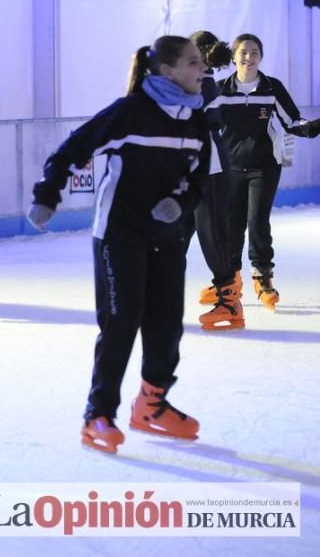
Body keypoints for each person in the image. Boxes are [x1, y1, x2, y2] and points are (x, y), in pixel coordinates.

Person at [27, 36, 211, 454]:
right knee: (121, 321)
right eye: (193, 63)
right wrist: (47, 194)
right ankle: (98, 415)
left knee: (166, 324)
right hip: (119, 234)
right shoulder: (131, 112)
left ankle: (151, 404)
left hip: (167, 236)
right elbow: (74, 148)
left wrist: (179, 203)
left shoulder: (196, 119)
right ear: (167, 71)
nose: (202, 69)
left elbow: (200, 180)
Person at [210, 33, 320, 311]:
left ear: (261, 56)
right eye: (243, 52)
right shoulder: (221, 90)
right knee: (231, 225)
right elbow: (205, 123)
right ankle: (230, 281)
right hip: (230, 168)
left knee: (258, 222)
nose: (249, 57)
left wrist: (312, 126)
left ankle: (263, 276)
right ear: (234, 56)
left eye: (255, 52)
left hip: (264, 166)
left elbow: (292, 121)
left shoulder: (272, 88)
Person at [185, 31, 244, 331]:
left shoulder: (202, 82)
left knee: (212, 234)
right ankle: (160, 294)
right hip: (191, 169)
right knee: (175, 234)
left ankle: (230, 300)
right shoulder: (196, 79)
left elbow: (203, 121)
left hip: (210, 168)